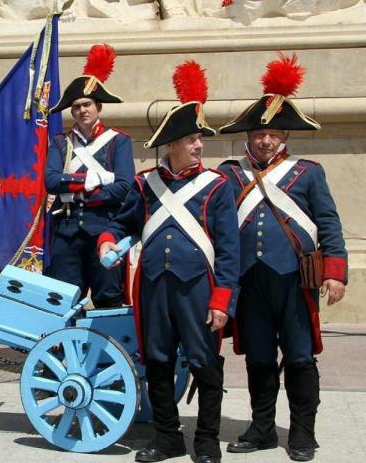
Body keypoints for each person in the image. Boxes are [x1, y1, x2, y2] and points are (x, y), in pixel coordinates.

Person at [98, 61, 240, 463]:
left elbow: (230, 250)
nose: (198, 145)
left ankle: (207, 440)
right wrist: (107, 242)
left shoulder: (217, 186)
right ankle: (167, 438)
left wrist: (221, 300)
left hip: (198, 289)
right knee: (157, 362)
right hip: (153, 287)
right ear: (172, 145)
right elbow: (119, 223)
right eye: (192, 139)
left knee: (205, 363)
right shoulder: (146, 184)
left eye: (199, 139)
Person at [217, 53, 347, 462]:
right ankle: (261, 429)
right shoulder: (229, 173)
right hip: (249, 281)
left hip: (293, 280)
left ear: (285, 136)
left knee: (299, 358)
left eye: (272, 133)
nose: (265, 140)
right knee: (258, 358)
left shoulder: (307, 172)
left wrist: (336, 273)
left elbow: (329, 223)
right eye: (258, 132)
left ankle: (303, 433)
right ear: (249, 135)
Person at [45, 43, 133, 308]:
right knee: (63, 299)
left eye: (87, 105)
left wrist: (76, 189)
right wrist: (91, 181)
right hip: (67, 232)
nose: (82, 110)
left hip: (103, 229)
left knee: (108, 296)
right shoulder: (61, 143)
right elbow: (50, 181)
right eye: (76, 107)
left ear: (98, 107)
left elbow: (124, 187)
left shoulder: (118, 142)